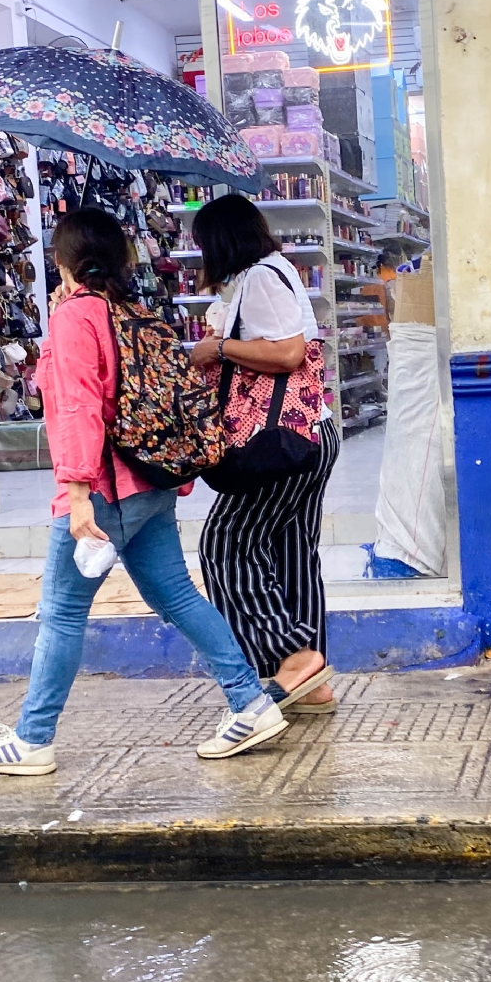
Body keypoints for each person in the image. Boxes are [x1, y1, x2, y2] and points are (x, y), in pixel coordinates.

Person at [0, 208, 287, 776]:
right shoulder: (136, 313)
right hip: (150, 483)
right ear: (120, 262)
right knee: (179, 597)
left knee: (60, 613)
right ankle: (250, 701)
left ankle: (33, 739)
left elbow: (82, 408)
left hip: (103, 490)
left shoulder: (75, 317)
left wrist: (78, 491)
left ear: (61, 262)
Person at [188, 194, 339, 714]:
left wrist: (218, 349)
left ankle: (288, 655)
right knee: (292, 552)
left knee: (224, 543)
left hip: (277, 440)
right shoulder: (276, 271)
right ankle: (311, 683)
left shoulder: (258, 277)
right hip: (310, 432)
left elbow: (288, 352)